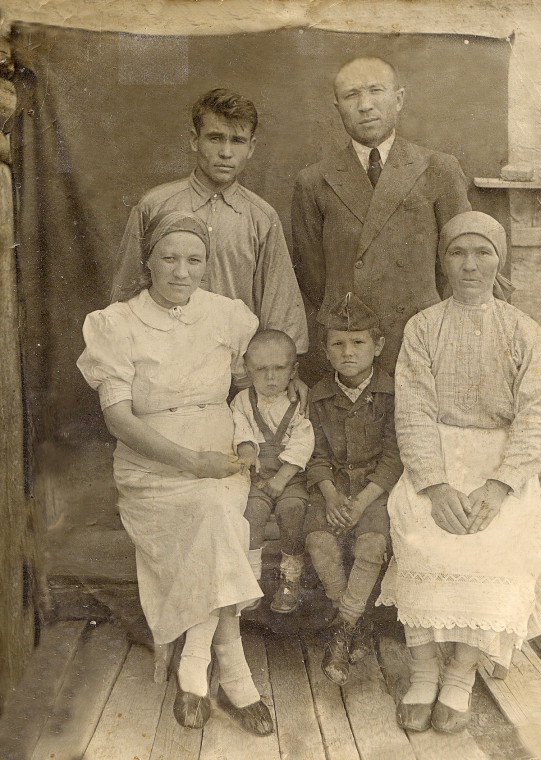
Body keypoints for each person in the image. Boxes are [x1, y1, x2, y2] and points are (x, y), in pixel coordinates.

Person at [77, 210, 274, 736]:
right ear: (148, 262)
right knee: (215, 515)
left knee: (216, 509)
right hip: (151, 465)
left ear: (207, 264)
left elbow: (254, 384)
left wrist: (254, 424)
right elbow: (119, 420)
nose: (181, 271)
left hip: (220, 451)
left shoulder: (227, 315)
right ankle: (233, 670)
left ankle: (195, 665)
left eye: (194, 260)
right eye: (168, 258)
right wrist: (190, 462)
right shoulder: (116, 324)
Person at [377, 211, 541, 734]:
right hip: (436, 459)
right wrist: (435, 486)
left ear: (499, 260)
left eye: (483, 253)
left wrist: (500, 487)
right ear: (443, 261)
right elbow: (412, 412)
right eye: (458, 253)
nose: (470, 265)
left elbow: (537, 417)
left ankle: (460, 672)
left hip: (501, 466)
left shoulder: (523, 330)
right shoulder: (423, 327)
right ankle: (423, 669)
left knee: (495, 540)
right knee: (418, 526)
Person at [292, 56, 471, 378]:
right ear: (337, 107)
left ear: (399, 99)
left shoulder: (438, 169)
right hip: (352, 346)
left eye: (376, 91)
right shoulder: (314, 181)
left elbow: (462, 260)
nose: (365, 105)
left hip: (420, 338)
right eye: (351, 95)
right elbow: (312, 276)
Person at [111, 87, 308, 360]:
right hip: (163, 362)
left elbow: (281, 309)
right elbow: (125, 296)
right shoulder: (154, 206)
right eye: (215, 138)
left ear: (251, 147)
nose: (226, 152)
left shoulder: (262, 218)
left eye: (237, 141)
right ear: (195, 140)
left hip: (235, 365)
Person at [304, 293, 402, 685]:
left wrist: (361, 502)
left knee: (372, 545)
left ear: (378, 346)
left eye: (358, 342)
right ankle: (355, 623)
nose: (348, 352)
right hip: (332, 488)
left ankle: (342, 629)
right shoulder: (318, 396)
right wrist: (330, 495)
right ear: (325, 351)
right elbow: (314, 454)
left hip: (374, 491)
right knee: (318, 542)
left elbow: (394, 458)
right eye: (338, 343)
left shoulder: (391, 394)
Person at [231, 330, 315, 613]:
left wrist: (281, 478)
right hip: (257, 476)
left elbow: (304, 442)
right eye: (261, 370)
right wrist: (247, 449)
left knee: (292, 509)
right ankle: (251, 578)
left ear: (294, 370)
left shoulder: (298, 403)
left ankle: (290, 577)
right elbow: (239, 426)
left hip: (290, 476)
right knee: (252, 512)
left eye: (279, 369)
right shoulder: (242, 401)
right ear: (247, 370)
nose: (270, 378)